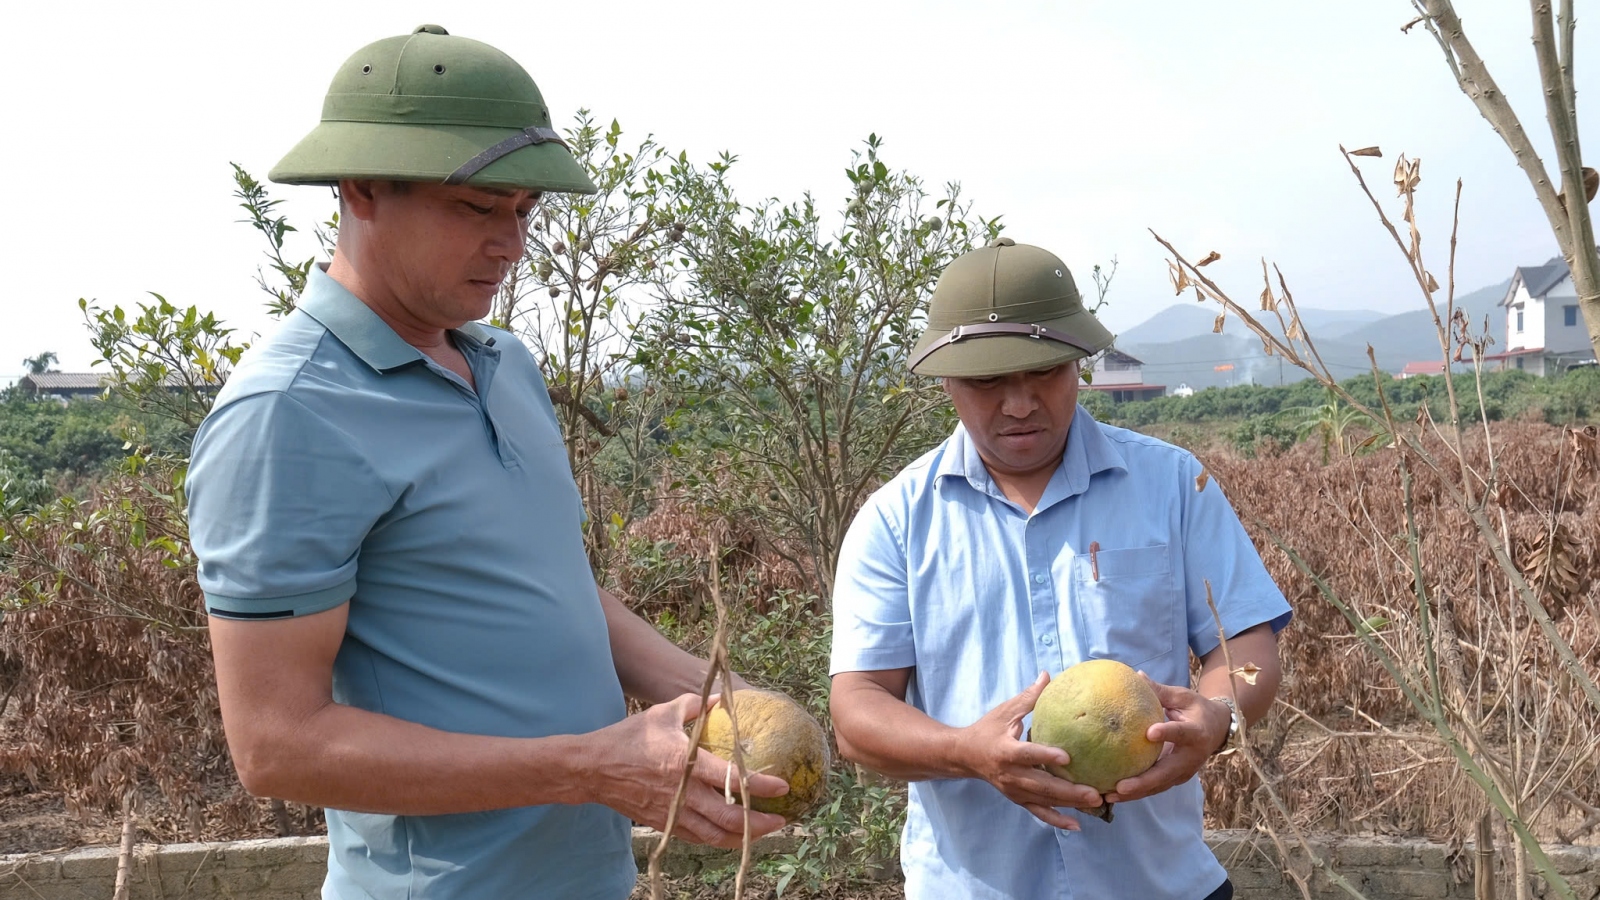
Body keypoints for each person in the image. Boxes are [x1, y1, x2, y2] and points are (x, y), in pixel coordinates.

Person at [185, 26, 788, 900]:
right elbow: (277, 745)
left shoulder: (504, 365)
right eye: (478, 208)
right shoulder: (289, 414)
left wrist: (708, 689)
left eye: (524, 212)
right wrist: (589, 768)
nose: (510, 243)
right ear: (361, 188)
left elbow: (547, 578)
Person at [828, 238, 1292, 899]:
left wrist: (1220, 714)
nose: (1019, 404)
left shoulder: (1172, 485)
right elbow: (857, 714)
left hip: (1161, 885)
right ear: (947, 383)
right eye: (988, 381)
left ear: (1079, 364)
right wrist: (969, 752)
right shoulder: (896, 521)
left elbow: (1247, 649)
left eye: (1043, 372)